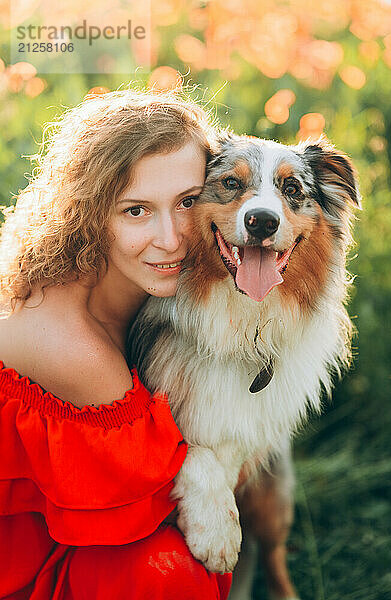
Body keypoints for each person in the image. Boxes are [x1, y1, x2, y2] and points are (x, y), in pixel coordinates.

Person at [0, 88, 232, 599]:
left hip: (72, 546)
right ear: (89, 212)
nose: (171, 237)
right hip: (25, 572)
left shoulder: (135, 283)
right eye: (136, 211)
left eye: (189, 203)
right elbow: (171, 505)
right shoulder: (74, 346)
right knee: (169, 571)